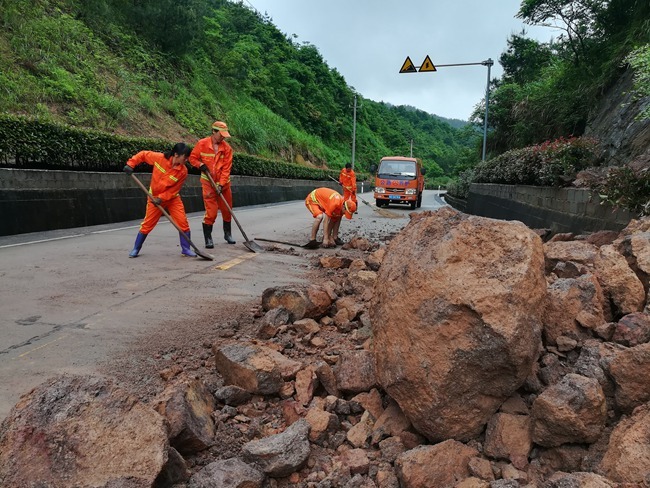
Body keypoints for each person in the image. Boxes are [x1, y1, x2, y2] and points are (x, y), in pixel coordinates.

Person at [123, 143, 196, 258]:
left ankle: (186, 249)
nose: (186, 159)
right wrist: (131, 164)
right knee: (147, 224)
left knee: (183, 223)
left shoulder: (183, 171)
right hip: (153, 198)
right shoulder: (159, 158)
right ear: (176, 154)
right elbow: (143, 155)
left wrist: (161, 198)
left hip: (172, 199)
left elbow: (174, 190)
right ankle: (136, 248)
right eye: (185, 157)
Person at [189, 120, 235, 248]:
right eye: (221, 134)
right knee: (211, 212)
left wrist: (221, 184)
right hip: (208, 184)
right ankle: (208, 238)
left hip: (224, 185)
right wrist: (200, 164)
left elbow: (226, 169)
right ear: (214, 132)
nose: (223, 137)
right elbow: (192, 158)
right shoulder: (202, 144)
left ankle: (228, 234)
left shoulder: (227, 149)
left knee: (227, 210)